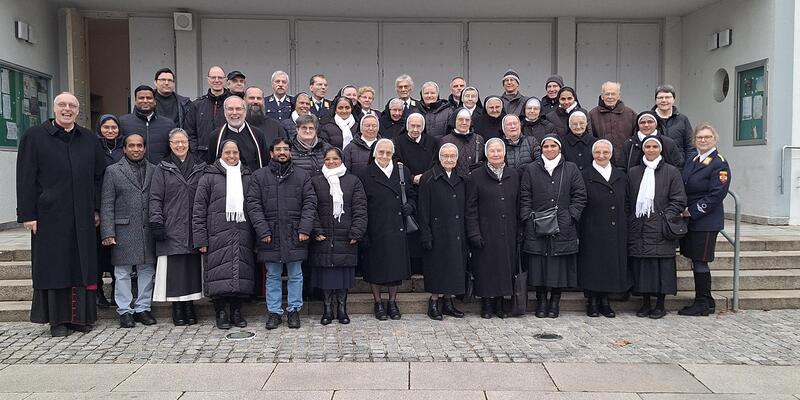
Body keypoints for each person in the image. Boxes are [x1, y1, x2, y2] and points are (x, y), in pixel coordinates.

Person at [17, 92, 106, 337]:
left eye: (72, 106)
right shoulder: (34, 137)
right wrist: (28, 214)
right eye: (62, 105)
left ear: (78, 111)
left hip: (83, 215)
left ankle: (80, 318)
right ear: (54, 109)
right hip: (49, 216)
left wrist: (97, 208)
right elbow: (25, 177)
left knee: (81, 265)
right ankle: (57, 321)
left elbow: (100, 176)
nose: (67, 109)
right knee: (55, 266)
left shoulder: (88, 138)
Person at [247, 137, 317, 330]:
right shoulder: (259, 176)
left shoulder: (302, 176)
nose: (282, 152)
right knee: (273, 275)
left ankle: (294, 310)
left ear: (290, 152)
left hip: (295, 233)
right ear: (271, 153)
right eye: (278, 149)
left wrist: (304, 229)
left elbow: (310, 203)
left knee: (296, 274)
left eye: (286, 149)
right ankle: (274, 312)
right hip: (270, 233)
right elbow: (253, 205)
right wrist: (263, 230)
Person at [520, 134, 587, 319]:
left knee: (559, 266)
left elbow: (580, 195)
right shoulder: (531, 169)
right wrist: (527, 218)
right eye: (546, 146)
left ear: (559, 148)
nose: (549, 149)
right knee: (539, 264)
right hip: (536, 225)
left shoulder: (571, 168)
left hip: (563, 225)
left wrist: (571, 216)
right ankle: (541, 301)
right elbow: (525, 195)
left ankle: (554, 301)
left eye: (553, 146)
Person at [193, 140, 256, 329]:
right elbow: (199, 209)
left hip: (242, 232)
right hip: (216, 233)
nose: (231, 156)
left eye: (235, 152)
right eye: (227, 152)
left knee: (239, 273)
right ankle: (220, 312)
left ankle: (236, 312)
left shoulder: (247, 176)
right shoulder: (209, 177)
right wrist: (200, 239)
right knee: (219, 274)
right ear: (220, 154)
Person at [149, 128, 206, 326]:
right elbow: (155, 198)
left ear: (189, 143)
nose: (180, 145)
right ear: (170, 145)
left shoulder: (200, 166)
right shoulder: (162, 168)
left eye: (183, 142)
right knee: (174, 270)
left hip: (193, 225)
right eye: (176, 142)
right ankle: (177, 308)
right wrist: (156, 222)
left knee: (191, 269)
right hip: (171, 225)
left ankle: (190, 306)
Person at [100, 133, 157, 328]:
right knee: (122, 272)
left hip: (147, 228)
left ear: (145, 148)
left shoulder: (154, 170)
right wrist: (108, 232)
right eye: (131, 146)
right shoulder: (113, 171)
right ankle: (124, 310)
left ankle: (143, 308)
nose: (136, 149)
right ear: (124, 149)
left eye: (139, 145)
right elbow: (107, 203)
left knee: (147, 270)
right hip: (123, 228)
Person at [627, 135, 687, 319]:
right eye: (648, 147)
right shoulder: (633, 172)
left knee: (662, 267)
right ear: (643, 149)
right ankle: (645, 303)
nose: (651, 150)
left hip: (661, 226)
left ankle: (660, 304)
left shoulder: (671, 171)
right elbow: (627, 198)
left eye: (655, 147)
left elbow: (679, 199)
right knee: (642, 267)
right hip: (639, 225)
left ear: (660, 149)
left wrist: (665, 217)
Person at [309, 147, 368, 325]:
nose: (331, 162)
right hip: (324, 237)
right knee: (327, 276)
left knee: (343, 277)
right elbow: (310, 208)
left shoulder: (353, 181)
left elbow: (360, 208)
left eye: (335, 159)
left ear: (342, 160)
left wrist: (357, 232)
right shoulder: (316, 181)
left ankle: (342, 308)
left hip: (346, 237)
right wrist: (316, 230)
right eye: (328, 159)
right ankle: (327, 309)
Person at [359, 139, 415, 320]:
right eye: (381, 152)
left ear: (393, 153)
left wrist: (411, 206)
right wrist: (364, 232)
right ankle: (378, 303)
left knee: (395, 269)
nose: (384, 156)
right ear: (374, 153)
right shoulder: (365, 174)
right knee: (375, 269)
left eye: (388, 153)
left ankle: (392, 302)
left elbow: (413, 195)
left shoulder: (402, 171)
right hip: (375, 228)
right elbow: (360, 205)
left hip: (396, 227)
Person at [678, 124, 731, 316]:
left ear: (714, 139)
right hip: (692, 219)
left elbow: (717, 194)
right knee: (695, 259)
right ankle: (706, 300)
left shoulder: (719, 163)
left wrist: (692, 211)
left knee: (700, 260)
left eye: (707, 137)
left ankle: (702, 303)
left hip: (706, 220)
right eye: (699, 137)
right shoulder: (693, 159)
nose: (703, 140)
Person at [465, 138, 519, 319]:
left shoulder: (514, 174)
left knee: (505, 269)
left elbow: (519, 205)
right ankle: (487, 304)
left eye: (499, 151)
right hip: (485, 231)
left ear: (504, 153)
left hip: (508, 231)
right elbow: (470, 208)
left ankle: (500, 304)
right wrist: (473, 232)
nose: (496, 154)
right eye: (492, 151)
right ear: (486, 154)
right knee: (486, 269)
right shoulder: (476, 176)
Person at [578, 139, 629, 318]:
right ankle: (592, 300)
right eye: (597, 152)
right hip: (592, 226)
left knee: (609, 265)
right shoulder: (584, 174)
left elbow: (627, 201)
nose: (601, 156)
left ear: (611, 154)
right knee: (593, 265)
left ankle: (605, 301)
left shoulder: (620, 175)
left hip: (615, 226)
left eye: (605, 152)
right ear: (592, 154)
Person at [418, 143, 468, 320]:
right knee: (437, 269)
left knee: (453, 268)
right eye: (445, 156)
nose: (449, 159)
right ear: (439, 158)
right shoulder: (428, 178)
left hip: (456, 231)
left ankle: (448, 303)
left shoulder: (462, 178)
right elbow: (423, 209)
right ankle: (433, 303)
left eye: (452, 156)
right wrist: (426, 233)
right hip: (437, 232)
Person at [95, 114, 123, 308]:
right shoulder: (93, 148)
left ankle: (116, 291)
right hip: (98, 204)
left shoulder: (124, 149)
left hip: (119, 208)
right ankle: (97, 291)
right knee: (98, 254)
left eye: (114, 127)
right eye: (106, 127)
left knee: (116, 253)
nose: (110, 131)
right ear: (100, 128)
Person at [206, 95, 270, 171]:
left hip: (252, 180)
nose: (234, 113)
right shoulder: (215, 136)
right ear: (225, 112)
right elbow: (211, 165)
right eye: (230, 109)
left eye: (238, 109)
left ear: (245, 111)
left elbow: (265, 164)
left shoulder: (257, 135)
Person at [118, 85, 176, 163]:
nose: (145, 101)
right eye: (141, 98)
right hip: (131, 172)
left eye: (149, 98)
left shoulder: (168, 124)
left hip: (161, 172)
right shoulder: (122, 122)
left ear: (154, 101)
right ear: (135, 101)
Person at [186, 66, 230, 160]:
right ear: (208, 80)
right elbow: (190, 133)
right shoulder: (197, 105)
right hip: (202, 158)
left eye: (220, 78)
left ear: (225, 80)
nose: (217, 80)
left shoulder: (233, 103)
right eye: (213, 77)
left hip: (228, 156)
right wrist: (195, 155)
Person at [587, 81, 637, 165]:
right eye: (607, 94)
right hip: (601, 161)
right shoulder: (592, 114)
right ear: (602, 96)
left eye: (613, 94)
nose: (610, 97)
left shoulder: (630, 114)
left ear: (618, 96)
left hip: (626, 161)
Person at [393, 112, 438, 186]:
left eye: (418, 126)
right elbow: (396, 164)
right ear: (407, 126)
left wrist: (425, 177)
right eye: (412, 126)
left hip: (428, 184)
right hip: (406, 185)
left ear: (423, 127)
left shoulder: (432, 142)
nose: (415, 129)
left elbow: (435, 163)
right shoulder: (397, 142)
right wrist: (412, 178)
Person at [653, 84, 695, 161]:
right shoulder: (648, 120)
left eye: (668, 97)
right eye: (660, 97)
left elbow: (690, 147)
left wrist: (688, 166)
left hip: (678, 167)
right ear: (655, 100)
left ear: (673, 99)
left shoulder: (683, 120)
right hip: (654, 166)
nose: (664, 100)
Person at [440, 108, 484, 176]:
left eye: (467, 120)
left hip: (475, 181)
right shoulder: (444, 141)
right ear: (454, 121)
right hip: (454, 183)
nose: (464, 122)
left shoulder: (479, 139)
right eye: (460, 119)